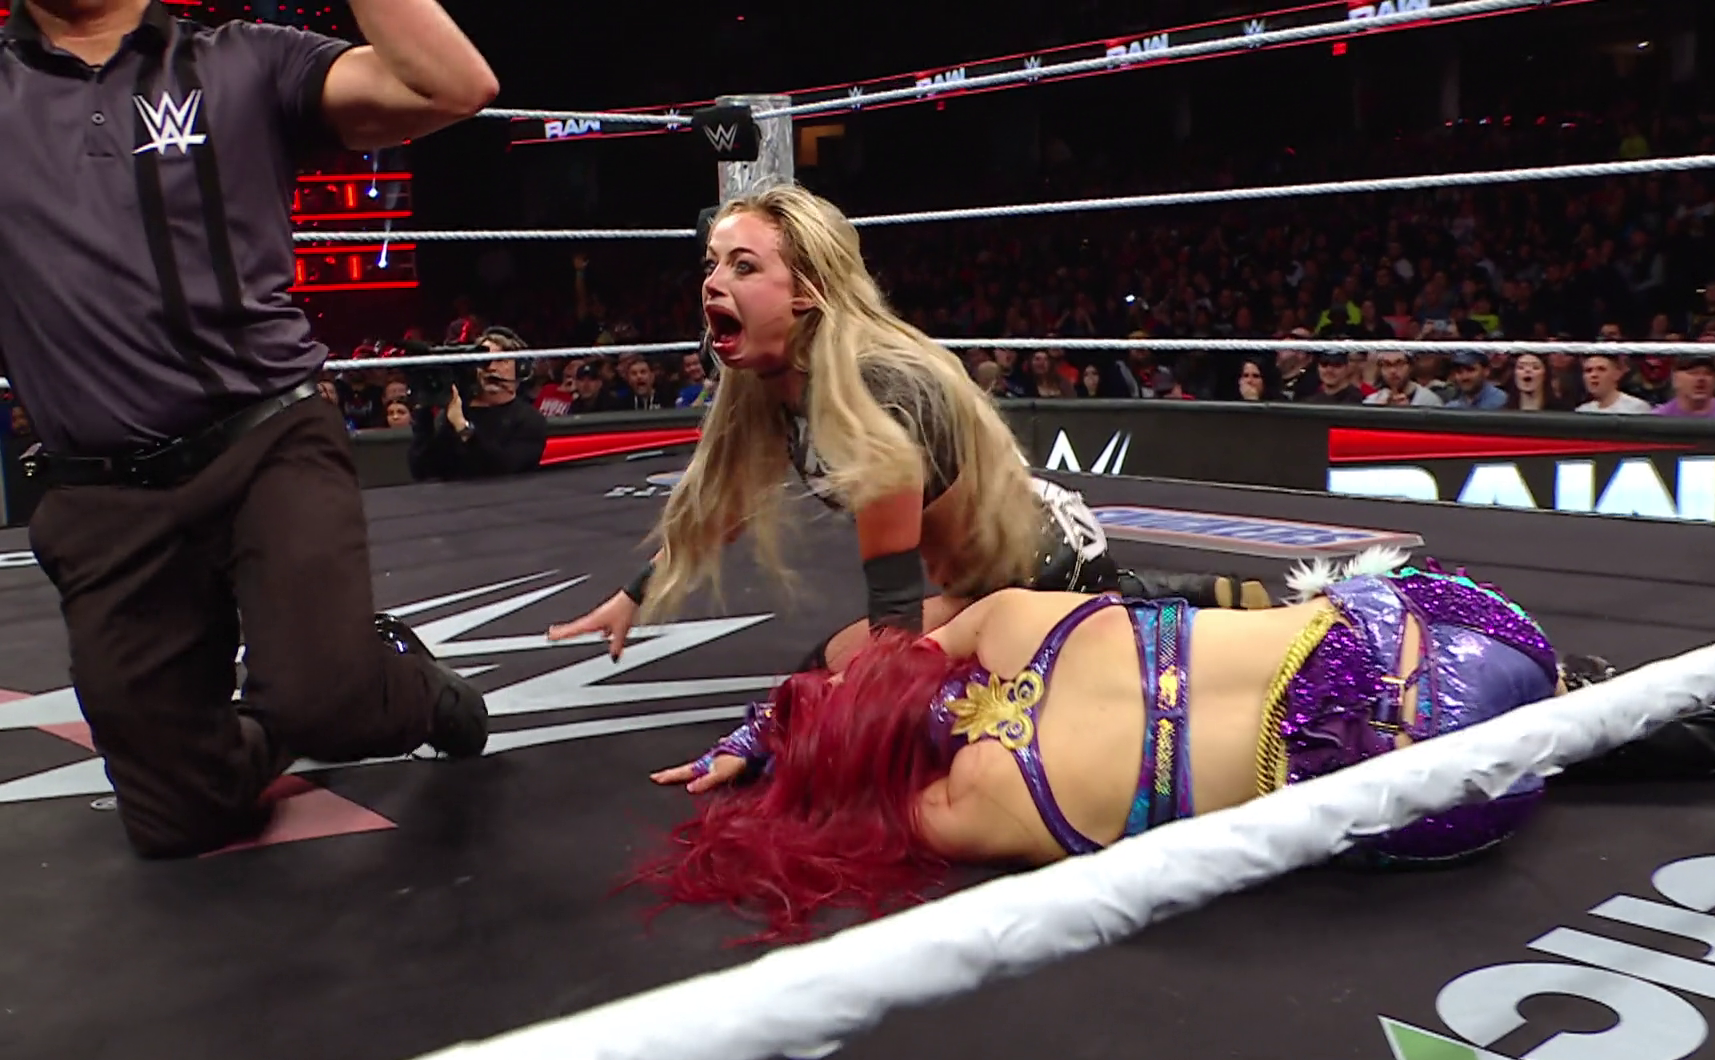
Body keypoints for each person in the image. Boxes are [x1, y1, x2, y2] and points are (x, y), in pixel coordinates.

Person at [635, 550, 1715, 943]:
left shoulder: (965, 808)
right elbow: (868, 652)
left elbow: (847, 797)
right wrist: (779, 711)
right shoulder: (1008, 615)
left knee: (1519, 749)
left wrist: (780, 755)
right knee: (1552, 700)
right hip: (1449, 634)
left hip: (1420, 794)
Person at [0, 0, 499, 857]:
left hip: (265, 439)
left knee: (328, 701)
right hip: (101, 491)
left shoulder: (243, 61)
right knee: (176, 819)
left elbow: (453, 87)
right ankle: (310, 697)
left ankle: (400, 689)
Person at [547, 184, 1265, 673]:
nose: (712, 282)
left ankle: (1124, 606)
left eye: (743, 266)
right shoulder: (772, 385)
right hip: (990, 571)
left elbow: (891, 620)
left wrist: (845, 726)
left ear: (807, 292)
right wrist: (633, 595)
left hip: (1035, 567)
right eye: (711, 265)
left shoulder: (877, 394)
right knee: (826, 677)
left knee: (825, 679)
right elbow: (725, 504)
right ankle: (1157, 598)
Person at [408, 327, 550, 481]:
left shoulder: (530, 420)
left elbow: (504, 470)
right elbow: (424, 471)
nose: (491, 367)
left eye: (500, 360)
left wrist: (463, 429)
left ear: (520, 368)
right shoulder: (454, 414)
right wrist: (424, 415)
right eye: (484, 361)